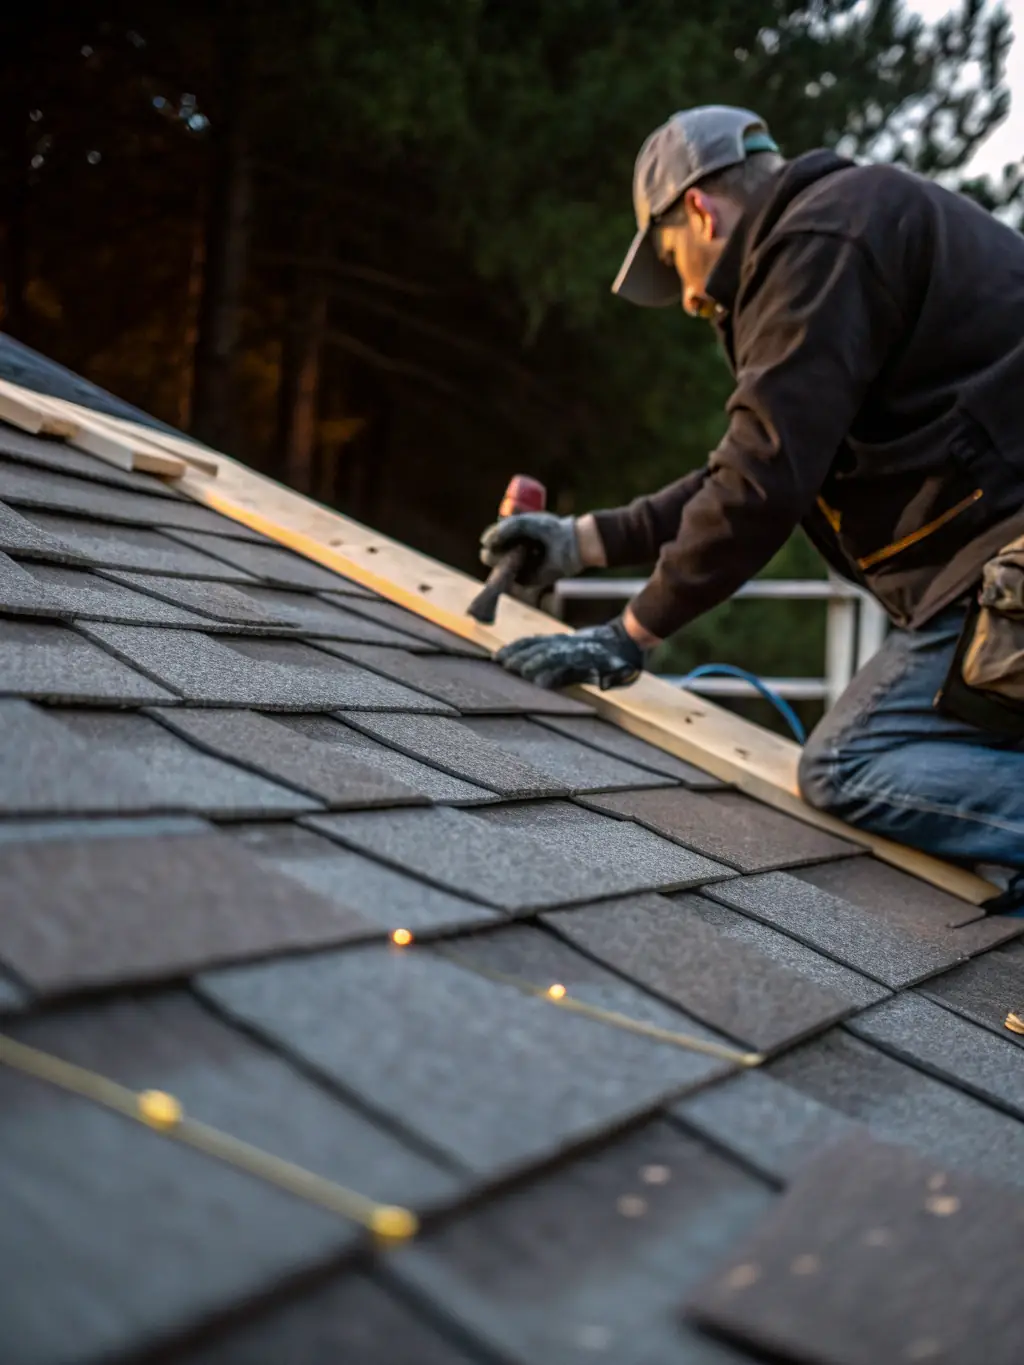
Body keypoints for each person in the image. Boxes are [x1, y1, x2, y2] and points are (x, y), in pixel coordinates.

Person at [480, 104, 1024, 893]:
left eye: (674, 266)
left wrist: (631, 633)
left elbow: (762, 482)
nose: (693, 302)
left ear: (698, 208)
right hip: (994, 558)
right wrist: (581, 540)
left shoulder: (819, 242)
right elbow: (749, 471)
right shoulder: (848, 232)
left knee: (849, 763)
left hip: (997, 561)